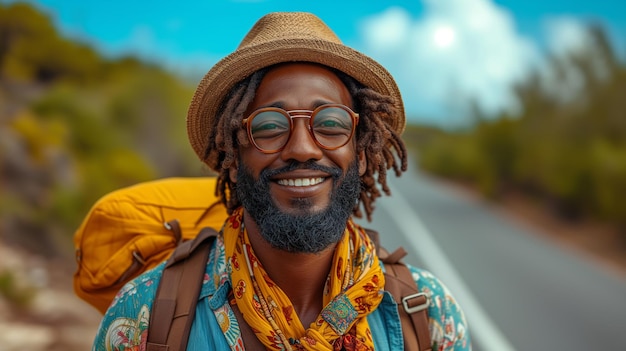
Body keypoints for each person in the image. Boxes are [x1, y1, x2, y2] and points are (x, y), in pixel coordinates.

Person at [92, 12, 471, 351]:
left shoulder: (428, 315)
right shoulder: (145, 314)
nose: (303, 148)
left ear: (363, 154)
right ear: (235, 159)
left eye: (331, 124)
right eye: (270, 126)